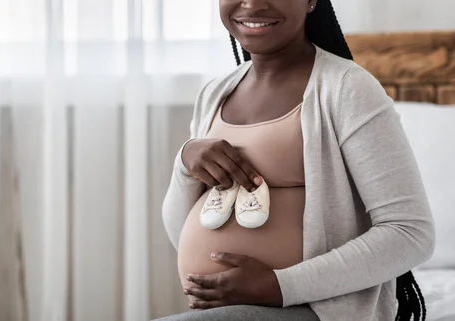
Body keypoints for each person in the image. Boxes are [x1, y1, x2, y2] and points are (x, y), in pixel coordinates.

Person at [158, 0, 435, 320]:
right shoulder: (215, 92)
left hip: (318, 309)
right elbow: (181, 233)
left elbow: (411, 233)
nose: (251, 3)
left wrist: (280, 286)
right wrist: (184, 163)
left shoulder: (346, 88)